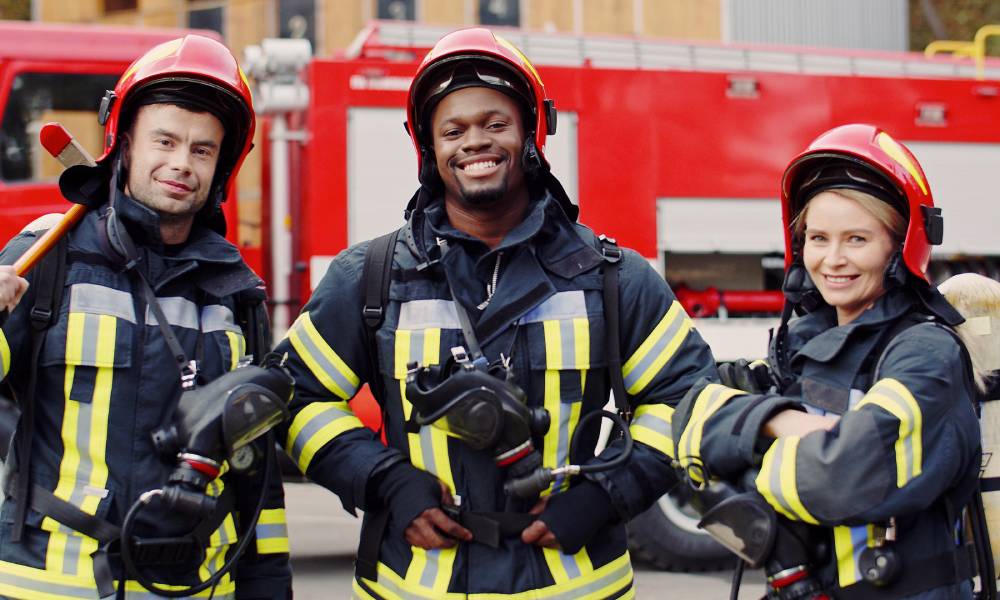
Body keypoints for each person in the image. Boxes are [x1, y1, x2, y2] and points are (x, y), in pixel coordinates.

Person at [275, 27, 717, 598]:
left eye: (495, 124)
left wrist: (607, 492)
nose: (474, 143)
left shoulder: (612, 278)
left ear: (530, 135)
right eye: (452, 130)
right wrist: (383, 481)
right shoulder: (370, 276)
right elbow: (294, 396)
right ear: (430, 150)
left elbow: (688, 399)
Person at [0, 36, 291, 599]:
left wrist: (268, 587)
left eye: (203, 150)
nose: (181, 164)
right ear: (125, 144)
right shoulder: (46, 254)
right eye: (166, 141)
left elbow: (257, 475)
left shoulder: (235, 293)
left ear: (222, 166)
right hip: (51, 586)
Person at [673, 123, 982, 598]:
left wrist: (747, 456)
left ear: (899, 246)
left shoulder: (925, 353)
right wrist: (781, 421)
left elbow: (845, 479)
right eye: (818, 238)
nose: (832, 259)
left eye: (856, 239)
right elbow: (691, 418)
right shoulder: (802, 341)